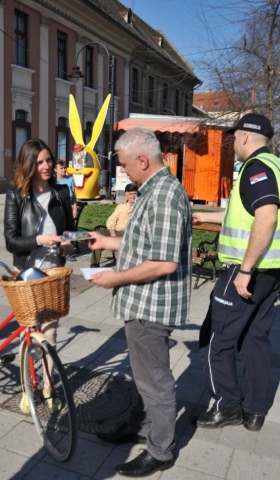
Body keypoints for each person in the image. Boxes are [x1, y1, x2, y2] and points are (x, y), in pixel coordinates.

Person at [88, 127, 192, 477]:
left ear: (142, 160)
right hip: (143, 303)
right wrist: (106, 243)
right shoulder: (152, 190)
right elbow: (145, 246)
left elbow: (164, 263)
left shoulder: (163, 196)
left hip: (152, 305)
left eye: (124, 165)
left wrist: (114, 277)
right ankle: (143, 427)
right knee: (145, 376)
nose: (123, 172)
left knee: (155, 381)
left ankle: (160, 450)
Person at [193, 113, 280, 433]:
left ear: (246, 137)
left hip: (246, 271)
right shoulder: (274, 166)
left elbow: (265, 217)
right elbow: (245, 212)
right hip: (270, 273)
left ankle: (228, 406)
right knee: (255, 342)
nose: (232, 142)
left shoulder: (256, 168)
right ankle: (254, 411)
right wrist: (206, 214)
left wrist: (245, 270)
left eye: (234, 136)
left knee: (218, 343)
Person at [4, 139, 75, 413]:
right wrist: (38, 239)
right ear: (29, 165)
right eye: (40, 162)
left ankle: (48, 386)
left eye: (49, 160)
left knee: (50, 334)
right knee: (28, 332)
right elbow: (11, 241)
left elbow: (69, 230)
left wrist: (69, 244)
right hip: (25, 272)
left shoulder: (60, 193)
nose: (46, 166)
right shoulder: (17, 194)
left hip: (52, 272)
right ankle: (26, 387)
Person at [90, 183, 138, 267]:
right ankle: (95, 263)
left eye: (134, 194)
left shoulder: (139, 207)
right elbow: (111, 220)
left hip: (128, 233)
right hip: (115, 231)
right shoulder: (121, 207)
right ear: (126, 195)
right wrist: (112, 233)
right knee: (97, 235)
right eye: (130, 194)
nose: (133, 196)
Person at [54, 160, 78, 261]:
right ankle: (57, 250)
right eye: (61, 168)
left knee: (68, 230)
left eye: (65, 168)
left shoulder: (69, 180)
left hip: (68, 209)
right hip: (57, 209)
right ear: (55, 170)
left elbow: (74, 196)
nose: (64, 170)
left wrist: (75, 209)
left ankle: (67, 253)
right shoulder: (53, 182)